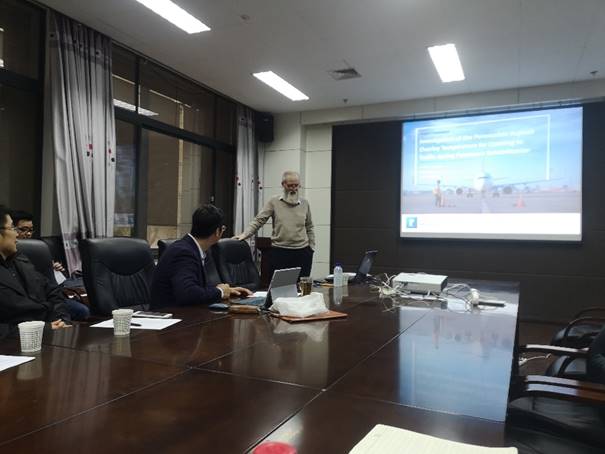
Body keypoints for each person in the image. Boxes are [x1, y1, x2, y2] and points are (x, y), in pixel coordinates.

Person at [150, 204, 252, 309]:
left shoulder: (190, 248)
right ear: (217, 232)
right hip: (171, 314)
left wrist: (226, 290)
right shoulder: (183, 253)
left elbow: (194, 287)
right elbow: (187, 293)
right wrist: (220, 292)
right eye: (223, 229)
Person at [10, 209, 89, 321]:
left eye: (31, 230)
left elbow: (53, 284)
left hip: (46, 295)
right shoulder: (8, 250)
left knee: (81, 310)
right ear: (12, 229)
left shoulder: (38, 248)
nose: (28, 234)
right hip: (25, 299)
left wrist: (53, 269)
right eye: (23, 230)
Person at [0, 205, 71, 329]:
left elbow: (52, 291)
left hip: (51, 329)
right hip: (20, 338)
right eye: (12, 228)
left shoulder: (20, 259)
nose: (16, 234)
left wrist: (61, 319)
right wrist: (44, 328)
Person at [233, 171, 315, 277]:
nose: (294, 189)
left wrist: (311, 247)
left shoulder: (305, 203)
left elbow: (309, 226)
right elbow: (259, 220)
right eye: (290, 185)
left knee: (301, 286)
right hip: (279, 251)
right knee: (279, 285)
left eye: (296, 185)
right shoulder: (274, 202)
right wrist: (245, 234)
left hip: (302, 252)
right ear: (283, 184)